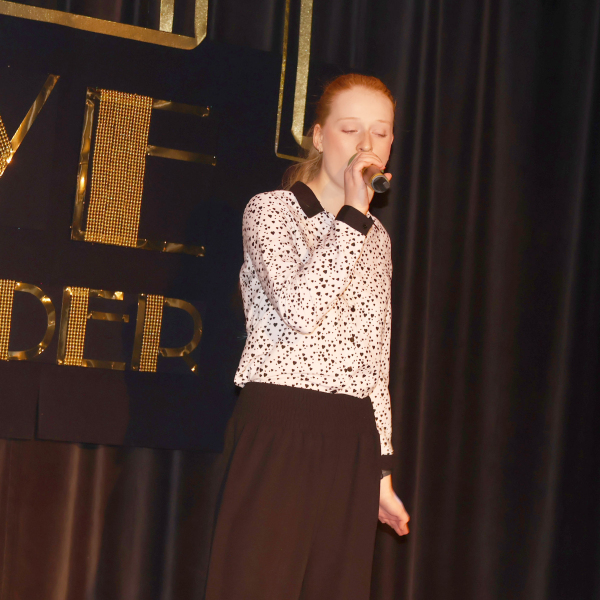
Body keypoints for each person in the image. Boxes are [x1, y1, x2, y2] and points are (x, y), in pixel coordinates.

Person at [205, 73, 409, 600]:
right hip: (282, 423)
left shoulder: (377, 237)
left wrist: (381, 473)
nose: (367, 145)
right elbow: (301, 309)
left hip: (354, 438)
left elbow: (374, 359)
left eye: (381, 132)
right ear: (319, 136)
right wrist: (352, 214)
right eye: (350, 129)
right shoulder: (272, 211)